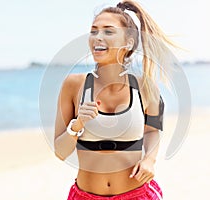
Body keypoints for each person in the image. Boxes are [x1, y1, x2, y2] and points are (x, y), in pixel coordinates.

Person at [54, 1, 176, 199]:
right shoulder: (73, 84)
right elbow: (60, 152)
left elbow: (152, 130)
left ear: (128, 43)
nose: (97, 37)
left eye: (108, 31)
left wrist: (150, 160)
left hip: (137, 194)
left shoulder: (145, 86)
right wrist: (77, 125)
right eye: (94, 31)